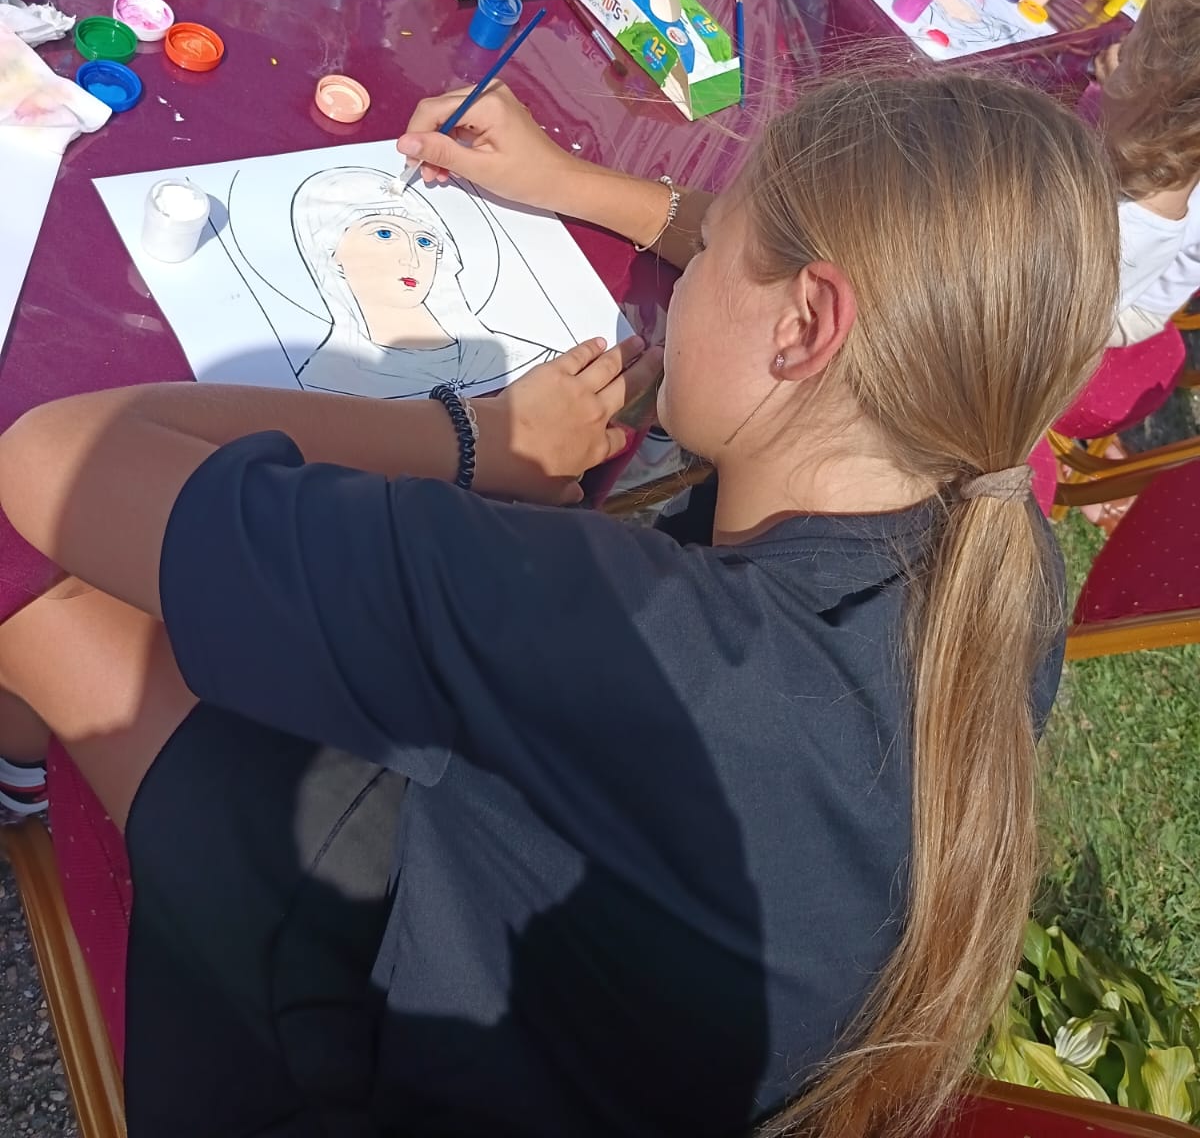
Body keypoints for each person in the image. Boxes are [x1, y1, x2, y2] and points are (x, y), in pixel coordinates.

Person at [0, 72, 1117, 1138]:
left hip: (367, 1069)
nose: (686, 272)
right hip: (565, 1013)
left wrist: (475, 436)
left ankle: (19, 773)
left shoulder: (629, 632)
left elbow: (54, 459)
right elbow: (788, 271)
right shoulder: (993, 547)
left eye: (710, 253)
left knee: (40, 595)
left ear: (807, 324)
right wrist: (568, 184)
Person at [291, 165, 553, 398]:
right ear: (330, 252)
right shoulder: (325, 385)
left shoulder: (523, 359)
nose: (412, 258)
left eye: (425, 241)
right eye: (384, 234)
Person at [1091, 0, 1200, 343]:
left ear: (1159, 94)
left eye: (1129, 55)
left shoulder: (1128, 227)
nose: (1116, 54)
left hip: (1122, 313)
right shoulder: (1179, 145)